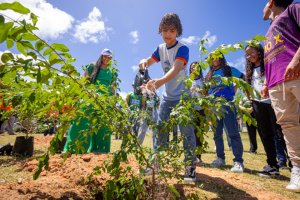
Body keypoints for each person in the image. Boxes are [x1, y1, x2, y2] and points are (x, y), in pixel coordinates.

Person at [139, 13, 197, 181]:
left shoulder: (183, 48)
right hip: (167, 97)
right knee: (160, 129)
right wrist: (143, 63)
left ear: (177, 31)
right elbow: (149, 61)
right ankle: (157, 163)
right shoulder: (160, 48)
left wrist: (159, 82)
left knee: (186, 131)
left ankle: (190, 166)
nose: (167, 34)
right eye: (164, 30)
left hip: (183, 96)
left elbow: (177, 68)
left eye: (171, 30)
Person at [261, 0, 300, 191]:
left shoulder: (294, 9)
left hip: (297, 73)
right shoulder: (269, 30)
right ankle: (298, 170)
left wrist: (296, 60)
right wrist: (267, 84)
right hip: (277, 83)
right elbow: (271, 58)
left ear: (271, 3)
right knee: (288, 125)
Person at [63, 48, 117, 154]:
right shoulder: (92, 67)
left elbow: (112, 88)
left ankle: (100, 149)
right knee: (82, 121)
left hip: (104, 100)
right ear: (101, 56)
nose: (107, 58)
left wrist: (113, 101)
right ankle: (74, 148)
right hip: (90, 97)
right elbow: (84, 81)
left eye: (109, 57)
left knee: (103, 125)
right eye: (105, 56)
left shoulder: (112, 72)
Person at [245, 43, 285, 177]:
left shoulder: (268, 62)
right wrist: (249, 97)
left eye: (252, 52)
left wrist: (265, 85)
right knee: (265, 134)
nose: (250, 56)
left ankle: (290, 162)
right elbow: (248, 86)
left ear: (259, 51)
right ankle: (272, 165)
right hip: (258, 104)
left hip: (272, 101)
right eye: (247, 54)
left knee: (279, 133)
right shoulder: (250, 70)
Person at [205, 52, 245, 173]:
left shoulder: (228, 69)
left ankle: (238, 161)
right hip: (214, 106)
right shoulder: (209, 73)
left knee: (232, 132)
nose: (214, 59)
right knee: (217, 134)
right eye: (212, 58)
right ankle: (220, 158)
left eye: (217, 56)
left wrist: (233, 90)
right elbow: (207, 89)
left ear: (221, 58)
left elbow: (242, 77)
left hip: (227, 104)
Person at [189, 61, 206, 165]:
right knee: (190, 133)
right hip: (190, 109)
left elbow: (206, 94)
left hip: (200, 109)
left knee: (199, 133)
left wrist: (198, 90)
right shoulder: (188, 81)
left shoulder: (203, 81)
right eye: (192, 68)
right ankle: (190, 156)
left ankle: (198, 157)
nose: (193, 69)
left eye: (196, 67)